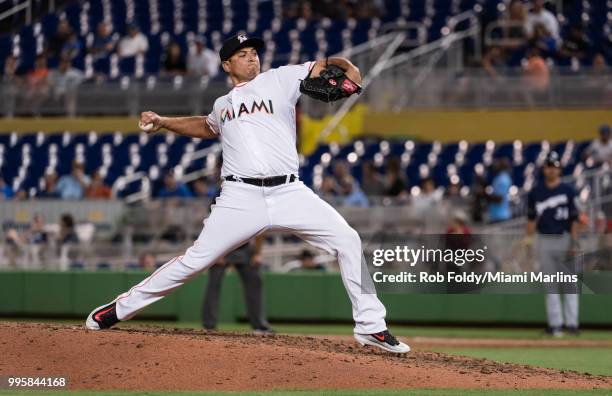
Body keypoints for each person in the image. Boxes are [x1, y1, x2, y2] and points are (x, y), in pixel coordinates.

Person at [86, 34, 409, 353]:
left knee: (348, 239)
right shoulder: (222, 104)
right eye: (243, 54)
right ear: (227, 64)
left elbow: (325, 66)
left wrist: (348, 67)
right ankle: (117, 310)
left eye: (254, 51)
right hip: (239, 197)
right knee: (194, 262)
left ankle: (371, 326)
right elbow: (205, 126)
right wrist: (164, 122)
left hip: (289, 191)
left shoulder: (279, 78)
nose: (252, 57)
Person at [525, 152, 581, 337]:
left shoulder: (568, 190)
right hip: (545, 240)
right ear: (544, 169)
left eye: (554, 166)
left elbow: (574, 219)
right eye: (549, 166)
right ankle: (555, 325)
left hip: (564, 238)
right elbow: (532, 219)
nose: (551, 169)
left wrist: (574, 241)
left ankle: (572, 325)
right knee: (550, 286)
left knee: (570, 284)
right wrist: (529, 240)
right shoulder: (536, 192)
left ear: (559, 169)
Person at [202, 236, 272, 334]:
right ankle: (209, 326)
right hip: (221, 247)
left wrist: (257, 253)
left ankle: (259, 326)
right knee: (213, 284)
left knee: (255, 281)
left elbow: (261, 232)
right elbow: (214, 227)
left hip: (245, 248)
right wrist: (216, 252)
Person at [488, 158, 513, 223]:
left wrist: (485, 196)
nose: (495, 166)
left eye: (498, 164)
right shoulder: (498, 177)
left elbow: (499, 198)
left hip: (501, 216)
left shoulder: (503, 179)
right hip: (495, 215)